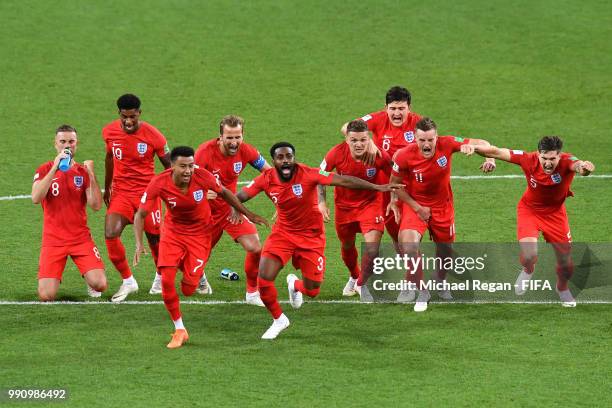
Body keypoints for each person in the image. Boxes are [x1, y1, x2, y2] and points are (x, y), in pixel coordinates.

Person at [236, 142, 403, 340]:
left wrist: (378, 186)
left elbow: (344, 181)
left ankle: (294, 285)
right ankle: (279, 319)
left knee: (312, 290)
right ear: (273, 161)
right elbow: (239, 196)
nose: (285, 161)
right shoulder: (266, 179)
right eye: (280, 158)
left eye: (289, 156)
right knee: (264, 277)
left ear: (294, 158)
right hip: (283, 234)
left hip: (311, 237)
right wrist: (244, 212)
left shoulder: (309, 174)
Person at [133, 146, 268, 349]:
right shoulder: (159, 182)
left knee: (188, 288)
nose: (188, 171)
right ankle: (180, 329)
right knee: (167, 279)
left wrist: (248, 213)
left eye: (190, 166)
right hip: (173, 233)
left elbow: (225, 193)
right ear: (172, 166)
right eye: (183, 167)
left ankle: (196, 275)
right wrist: (138, 243)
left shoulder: (202, 176)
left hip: (200, 234)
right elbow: (140, 214)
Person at [461, 136, 595, 307]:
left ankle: (562, 288)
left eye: (552, 159)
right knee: (530, 255)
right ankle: (527, 270)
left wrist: (586, 168)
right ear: (538, 154)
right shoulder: (528, 159)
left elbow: (579, 167)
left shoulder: (568, 161)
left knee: (565, 262)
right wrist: (472, 148)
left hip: (555, 215)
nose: (548, 163)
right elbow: (496, 151)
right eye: (544, 158)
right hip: (529, 211)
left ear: (559, 156)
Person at [389, 117, 493, 312]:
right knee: (409, 245)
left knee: (445, 252)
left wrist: (489, 158)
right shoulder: (403, 155)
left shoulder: (447, 143)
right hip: (415, 205)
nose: (427, 144)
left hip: (443, 207)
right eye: (422, 140)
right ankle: (421, 290)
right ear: (415, 138)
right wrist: (413, 206)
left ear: (437, 137)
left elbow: (483, 143)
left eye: (430, 140)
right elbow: (394, 184)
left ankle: (440, 280)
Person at [194, 115, 271, 305]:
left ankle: (252, 293)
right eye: (229, 137)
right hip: (203, 213)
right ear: (220, 137)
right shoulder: (204, 153)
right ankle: (198, 276)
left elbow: (270, 174)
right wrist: (203, 194)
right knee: (195, 259)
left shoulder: (246, 151)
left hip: (229, 210)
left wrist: (280, 200)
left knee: (254, 247)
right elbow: (186, 183)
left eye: (237, 137)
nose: (234, 142)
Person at [102, 94, 171, 302]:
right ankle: (128, 281)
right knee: (110, 232)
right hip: (121, 193)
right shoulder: (109, 131)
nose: (129, 121)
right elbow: (109, 158)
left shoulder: (154, 136)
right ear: (119, 114)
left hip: (147, 193)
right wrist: (107, 188)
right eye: (125, 117)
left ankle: (160, 277)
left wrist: (172, 194)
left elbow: (169, 166)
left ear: (139, 113)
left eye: (133, 116)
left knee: (155, 238)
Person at [318, 119, 393, 298]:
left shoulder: (379, 155)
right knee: (347, 245)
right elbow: (319, 176)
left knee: (372, 249)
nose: (359, 144)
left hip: (371, 204)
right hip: (344, 208)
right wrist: (321, 202)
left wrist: (394, 200)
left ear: (369, 139)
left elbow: (395, 177)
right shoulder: (336, 153)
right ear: (347, 140)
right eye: (354, 140)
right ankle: (354, 276)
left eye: (363, 140)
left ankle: (360, 284)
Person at [32, 125, 107, 301]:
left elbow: (96, 205)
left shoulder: (82, 171)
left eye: (71, 141)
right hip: (53, 240)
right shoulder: (44, 169)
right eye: (63, 141)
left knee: (100, 284)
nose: (67, 145)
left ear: (76, 144)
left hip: (80, 239)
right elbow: (36, 197)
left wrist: (91, 173)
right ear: (55, 144)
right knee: (46, 295)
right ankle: (54, 277)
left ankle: (90, 280)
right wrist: (55, 168)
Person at [341, 86, 422, 245]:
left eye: (401, 108)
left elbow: (435, 145)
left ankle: (413, 262)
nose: (397, 113)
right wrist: (369, 142)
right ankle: (407, 261)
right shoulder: (378, 118)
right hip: (385, 184)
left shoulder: (419, 124)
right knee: (394, 230)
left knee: (411, 232)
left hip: (411, 185)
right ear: (386, 108)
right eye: (392, 108)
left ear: (409, 108)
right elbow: (346, 127)